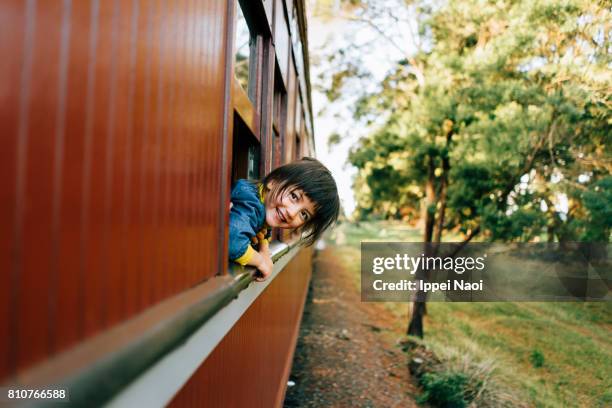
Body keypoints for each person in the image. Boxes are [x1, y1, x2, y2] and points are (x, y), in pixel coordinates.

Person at [229, 157, 340, 281]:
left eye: (304, 214)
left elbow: (265, 230)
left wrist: (264, 250)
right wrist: (261, 262)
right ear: (273, 182)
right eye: (294, 196)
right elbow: (232, 241)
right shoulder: (251, 203)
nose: (292, 213)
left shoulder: (265, 206)